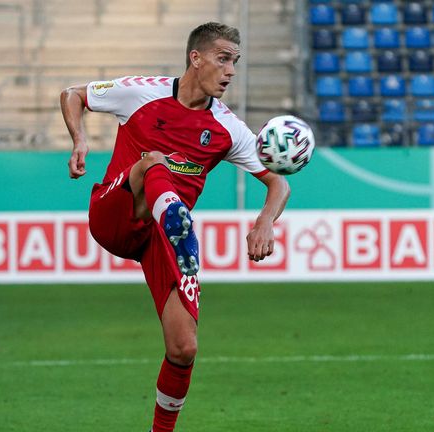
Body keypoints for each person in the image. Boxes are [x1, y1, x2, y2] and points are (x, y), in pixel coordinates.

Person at [60, 22, 290, 432]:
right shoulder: (142, 91)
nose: (231, 71)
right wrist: (79, 140)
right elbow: (73, 94)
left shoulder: (227, 127)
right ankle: (174, 215)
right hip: (116, 212)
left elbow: (278, 181)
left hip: (162, 241)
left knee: (184, 348)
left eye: (235, 61)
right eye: (223, 59)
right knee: (153, 160)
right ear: (195, 58)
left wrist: (265, 222)